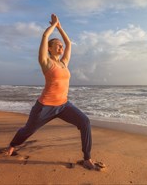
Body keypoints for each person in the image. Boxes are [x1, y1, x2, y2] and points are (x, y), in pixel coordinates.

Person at [7, 14, 95, 169]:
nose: (61, 48)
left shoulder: (64, 63)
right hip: (45, 106)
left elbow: (69, 43)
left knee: (85, 122)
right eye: (58, 45)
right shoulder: (45, 62)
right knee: (28, 130)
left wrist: (60, 27)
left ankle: (87, 158)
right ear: (49, 48)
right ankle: (13, 144)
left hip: (63, 105)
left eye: (61, 46)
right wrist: (53, 25)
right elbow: (45, 35)